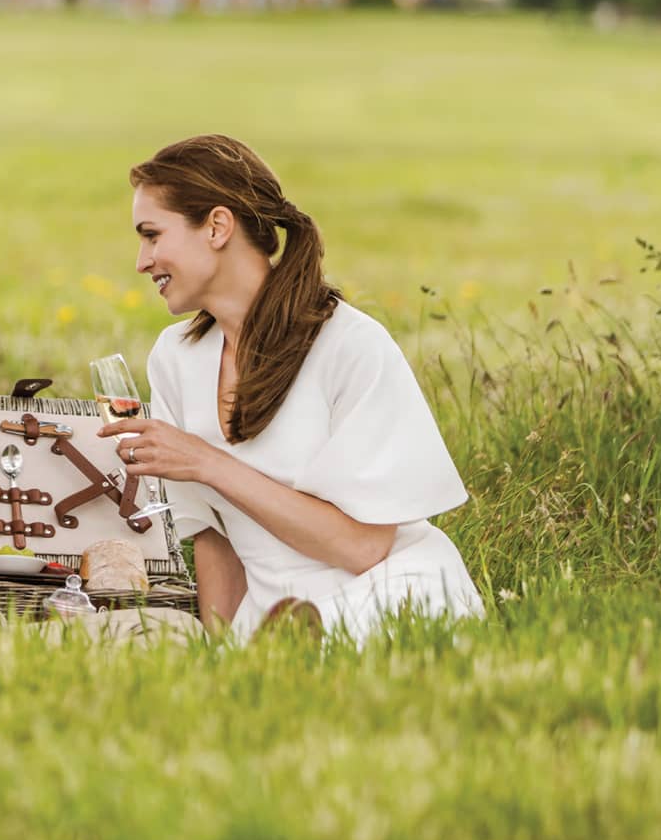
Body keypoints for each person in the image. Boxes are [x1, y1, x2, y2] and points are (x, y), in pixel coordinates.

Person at [100, 134, 484, 644]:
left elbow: (364, 548)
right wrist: (219, 652)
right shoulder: (176, 359)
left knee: (353, 639)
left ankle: (311, 641)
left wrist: (207, 462)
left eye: (153, 235)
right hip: (270, 613)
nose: (142, 262)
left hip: (387, 585)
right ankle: (284, 647)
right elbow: (216, 542)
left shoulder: (350, 346)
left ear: (217, 226)